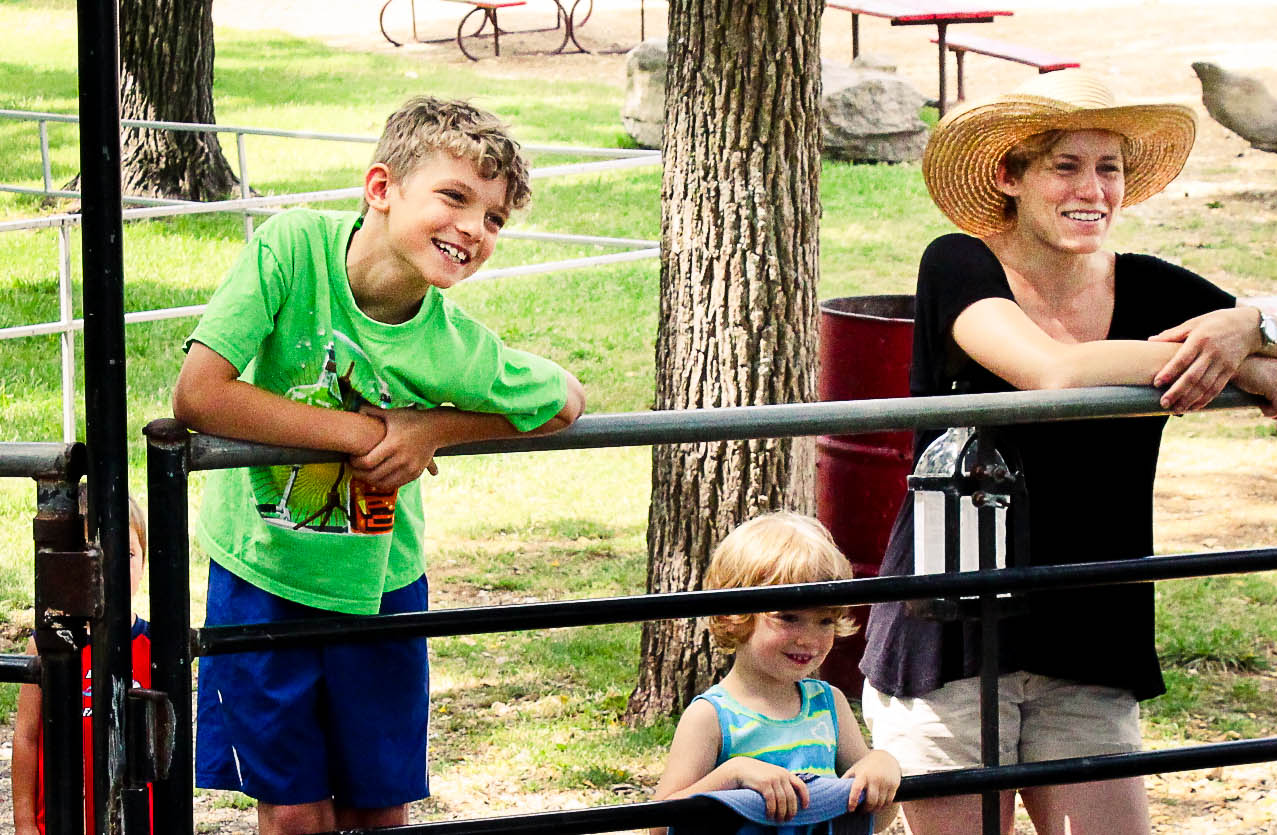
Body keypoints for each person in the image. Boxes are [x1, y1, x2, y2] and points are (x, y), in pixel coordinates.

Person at [858, 70, 1277, 835]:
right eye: (1066, 166)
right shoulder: (958, 264)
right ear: (1009, 176)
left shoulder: (1149, 287)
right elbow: (1050, 372)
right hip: (953, 631)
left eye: (1109, 168)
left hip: (1090, 627)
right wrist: (1231, 363)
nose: (1092, 189)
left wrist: (1248, 327)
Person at [171, 96, 586, 835]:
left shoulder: (452, 343)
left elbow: (565, 401)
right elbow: (200, 394)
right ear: (381, 187)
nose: (474, 228)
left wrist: (433, 430)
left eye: (494, 218)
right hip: (261, 574)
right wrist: (359, 434)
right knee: (292, 811)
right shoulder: (293, 248)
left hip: (381, 587)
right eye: (454, 197)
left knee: (377, 808)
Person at [651, 513, 902, 834]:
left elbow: (871, 820)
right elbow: (658, 827)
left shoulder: (829, 705)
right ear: (734, 615)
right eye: (789, 617)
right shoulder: (711, 717)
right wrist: (732, 776)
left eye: (825, 621)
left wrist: (882, 768)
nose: (809, 639)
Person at [14, 494, 152, 835]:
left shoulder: (156, 648)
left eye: (128, 554)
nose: (113, 568)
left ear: (144, 562)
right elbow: (26, 737)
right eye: (97, 555)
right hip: (62, 821)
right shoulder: (48, 646)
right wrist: (24, 823)